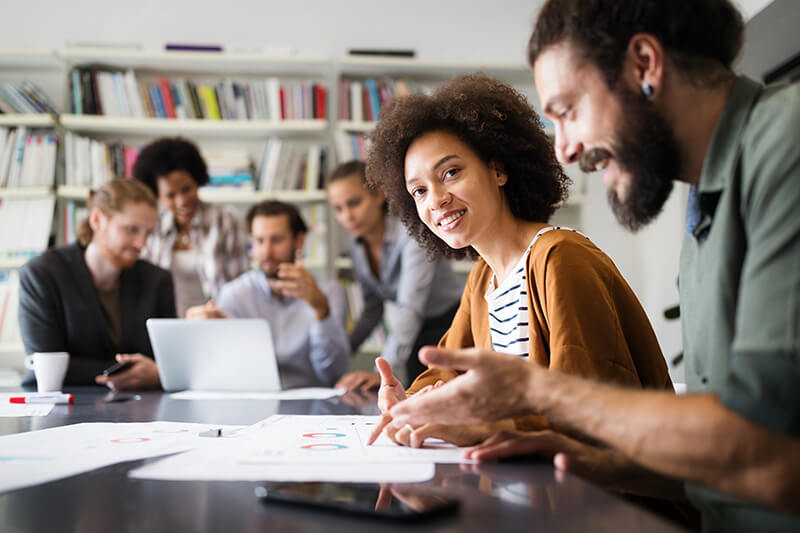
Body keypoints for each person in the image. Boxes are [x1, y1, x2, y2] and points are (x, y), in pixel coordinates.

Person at [385, 1, 800, 530]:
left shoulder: (785, 146)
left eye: (567, 110)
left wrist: (529, 395)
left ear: (645, 64)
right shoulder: (704, 216)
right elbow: (723, 466)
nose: (566, 148)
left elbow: (768, 451)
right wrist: (584, 461)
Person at [365, 73, 672, 449]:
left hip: (610, 500)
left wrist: (486, 425)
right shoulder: (484, 279)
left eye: (451, 172)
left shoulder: (560, 258)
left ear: (498, 169)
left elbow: (593, 407)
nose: (436, 200)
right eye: (419, 190)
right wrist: (410, 404)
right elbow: (446, 374)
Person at [18, 178, 175, 390]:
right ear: (97, 220)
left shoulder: (157, 280)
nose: (141, 243)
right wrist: (143, 372)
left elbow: (169, 362)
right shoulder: (42, 275)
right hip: (63, 406)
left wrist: (160, 371)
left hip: (141, 409)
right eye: (131, 229)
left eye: (148, 232)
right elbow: (46, 364)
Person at [327, 160, 464, 391]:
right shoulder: (357, 248)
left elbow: (410, 308)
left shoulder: (412, 234)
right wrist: (340, 356)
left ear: (378, 195)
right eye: (339, 209)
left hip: (449, 326)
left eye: (354, 203)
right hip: (416, 330)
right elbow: (372, 310)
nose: (347, 216)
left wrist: (381, 373)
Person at [187, 200, 349, 389]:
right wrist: (199, 332)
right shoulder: (235, 294)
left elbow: (332, 374)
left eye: (277, 240)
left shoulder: (328, 292)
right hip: (252, 399)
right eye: (259, 241)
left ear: (300, 241)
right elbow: (217, 367)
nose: (267, 251)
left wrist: (321, 309)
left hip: (310, 403)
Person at [133, 137, 249, 317]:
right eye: (170, 195)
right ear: (157, 196)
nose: (182, 201)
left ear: (197, 181)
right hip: (167, 323)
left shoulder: (226, 220)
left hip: (217, 323)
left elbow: (239, 285)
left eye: (187, 189)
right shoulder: (152, 227)